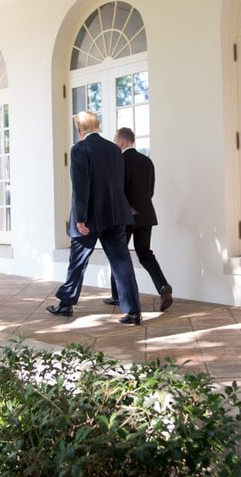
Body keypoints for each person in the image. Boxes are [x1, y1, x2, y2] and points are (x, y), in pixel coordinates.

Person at [46, 112, 143, 325]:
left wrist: (80, 218)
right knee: (121, 263)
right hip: (116, 214)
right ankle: (133, 311)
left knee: (78, 261)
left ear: (79, 130)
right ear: (97, 126)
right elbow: (116, 182)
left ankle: (66, 304)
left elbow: (81, 186)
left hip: (90, 217)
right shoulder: (114, 149)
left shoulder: (80, 149)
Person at [104, 127, 173, 311]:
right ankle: (163, 286)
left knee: (119, 255)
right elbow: (150, 191)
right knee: (145, 254)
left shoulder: (119, 161)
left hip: (126, 216)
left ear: (121, 142)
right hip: (146, 215)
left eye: (115, 141)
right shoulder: (147, 161)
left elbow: (118, 191)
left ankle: (118, 295)